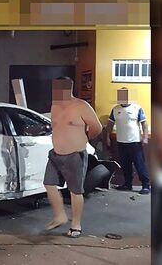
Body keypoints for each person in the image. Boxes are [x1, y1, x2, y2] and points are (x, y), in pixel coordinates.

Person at [44, 77, 102, 238]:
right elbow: (56, 126)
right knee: (48, 183)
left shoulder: (81, 106)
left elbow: (97, 127)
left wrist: (84, 138)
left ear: (69, 88)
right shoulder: (55, 106)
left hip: (75, 155)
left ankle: (76, 225)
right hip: (56, 154)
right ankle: (60, 216)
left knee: (75, 191)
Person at [105, 87, 151, 194]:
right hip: (121, 142)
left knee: (140, 164)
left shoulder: (137, 108)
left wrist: (144, 137)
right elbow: (109, 125)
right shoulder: (115, 109)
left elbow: (144, 124)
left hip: (135, 142)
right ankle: (127, 184)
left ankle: (145, 186)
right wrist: (107, 137)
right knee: (125, 165)